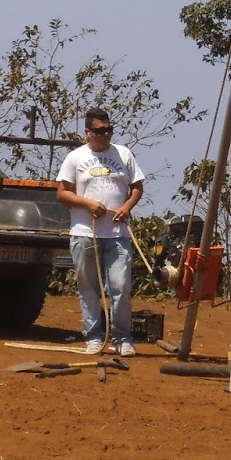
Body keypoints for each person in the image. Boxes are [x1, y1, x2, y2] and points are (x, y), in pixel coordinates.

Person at [56, 109, 145, 356]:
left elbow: (137, 186)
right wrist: (88, 204)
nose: (105, 134)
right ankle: (93, 337)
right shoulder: (75, 158)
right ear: (88, 132)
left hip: (117, 234)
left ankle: (122, 337)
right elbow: (62, 193)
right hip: (85, 232)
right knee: (89, 288)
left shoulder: (123, 153)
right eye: (99, 130)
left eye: (108, 129)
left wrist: (126, 207)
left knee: (120, 285)